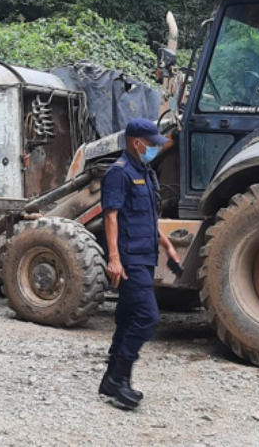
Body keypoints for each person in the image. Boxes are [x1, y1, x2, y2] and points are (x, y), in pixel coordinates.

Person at [98, 119, 182, 410]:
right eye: (151, 143)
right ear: (137, 143)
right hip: (130, 259)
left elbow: (146, 218)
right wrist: (115, 259)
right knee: (147, 318)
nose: (155, 148)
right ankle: (120, 379)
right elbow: (111, 217)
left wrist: (167, 244)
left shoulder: (145, 173)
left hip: (146, 255)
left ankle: (111, 377)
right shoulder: (118, 174)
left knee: (126, 317)